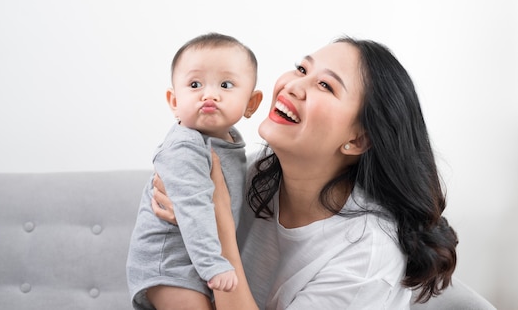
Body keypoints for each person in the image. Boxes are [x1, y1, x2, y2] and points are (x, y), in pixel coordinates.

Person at [151, 36, 458, 309]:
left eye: (325, 85)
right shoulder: (255, 173)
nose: (293, 86)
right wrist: (193, 216)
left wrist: (218, 223)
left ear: (357, 140)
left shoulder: (366, 256)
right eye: (301, 69)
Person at [126, 32, 263, 310]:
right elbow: (194, 207)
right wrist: (214, 264)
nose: (209, 94)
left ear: (251, 104)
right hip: (168, 265)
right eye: (194, 84)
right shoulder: (185, 147)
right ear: (174, 101)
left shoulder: (231, 144)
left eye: (225, 84)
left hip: (199, 261)